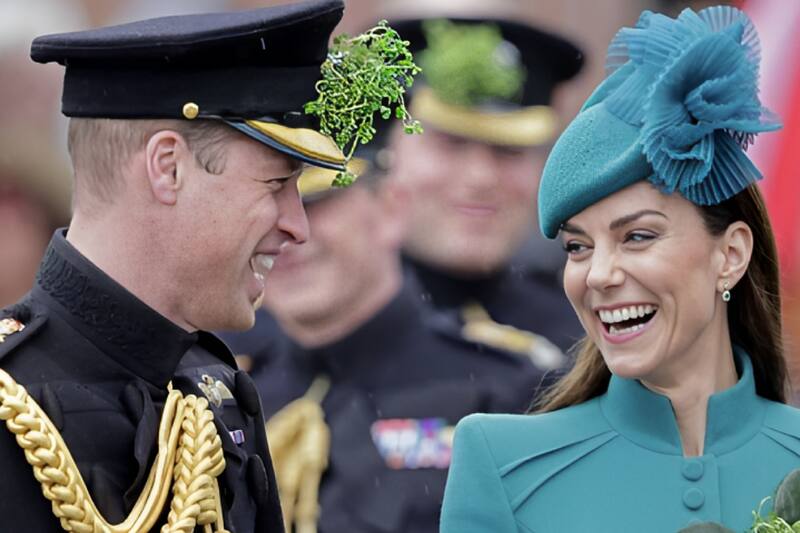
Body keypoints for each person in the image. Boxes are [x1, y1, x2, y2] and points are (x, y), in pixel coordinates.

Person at [0, 1, 371, 531]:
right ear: (168, 168)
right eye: (274, 184)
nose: (298, 225)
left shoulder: (215, 389)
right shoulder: (12, 394)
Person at [440, 6, 800, 533]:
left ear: (731, 255)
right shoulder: (503, 463)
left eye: (637, 236)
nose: (599, 274)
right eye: (578, 247)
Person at [219, 159, 557, 533]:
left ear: (391, 208)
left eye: (313, 204)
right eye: (264, 206)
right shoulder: (227, 396)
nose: (288, 232)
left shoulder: (509, 390)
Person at [384, 15, 585, 354]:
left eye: (509, 150)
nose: (482, 178)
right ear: (384, 153)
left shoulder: (585, 344)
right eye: (451, 142)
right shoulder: (309, 322)